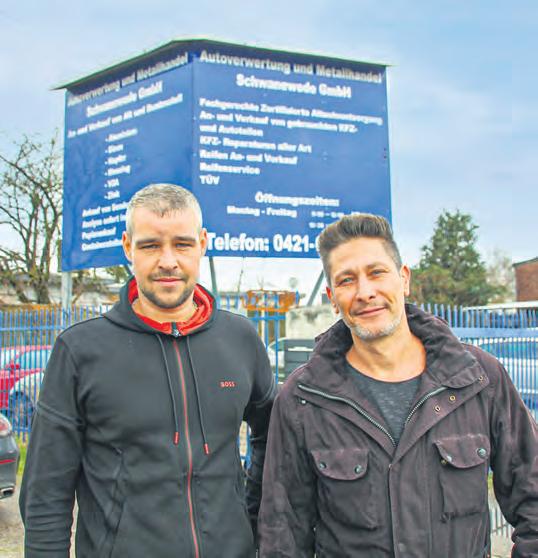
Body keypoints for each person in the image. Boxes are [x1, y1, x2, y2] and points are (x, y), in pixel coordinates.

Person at [258, 213, 538, 557]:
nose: (365, 292)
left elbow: (533, 495)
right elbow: (283, 536)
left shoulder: (479, 379)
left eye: (377, 272)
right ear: (332, 296)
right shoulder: (303, 400)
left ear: (404, 279)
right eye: (347, 280)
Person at [20, 183, 277, 558]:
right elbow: (46, 492)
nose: (168, 261)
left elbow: (273, 436)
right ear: (128, 247)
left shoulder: (240, 338)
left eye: (182, 244)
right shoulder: (80, 351)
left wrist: (251, 519)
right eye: (151, 245)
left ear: (202, 244)